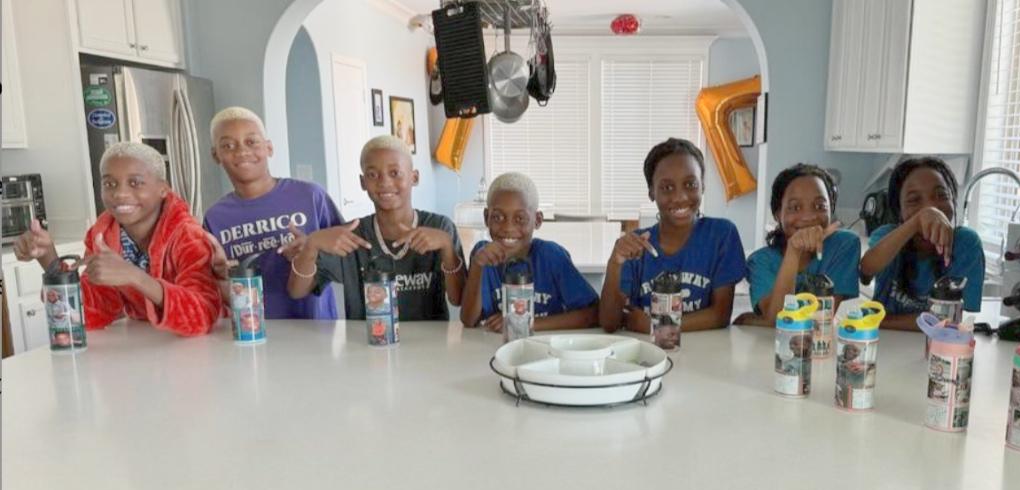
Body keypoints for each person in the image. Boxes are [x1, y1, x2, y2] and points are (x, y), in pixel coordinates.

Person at [13, 142, 221, 336]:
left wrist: (135, 276)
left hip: (203, 348)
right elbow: (91, 312)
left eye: (135, 183)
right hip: (143, 345)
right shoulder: (102, 236)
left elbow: (203, 313)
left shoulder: (187, 235)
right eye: (110, 184)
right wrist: (50, 260)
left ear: (163, 189)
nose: (120, 193)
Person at [288, 135, 465, 320]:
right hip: (368, 345)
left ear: (414, 177)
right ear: (362, 182)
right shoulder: (351, 236)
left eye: (394, 173)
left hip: (429, 346)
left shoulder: (440, 228)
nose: (384, 182)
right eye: (372, 175)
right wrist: (311, 246)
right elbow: (296, 291)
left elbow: (458, 298)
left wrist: (447, 247)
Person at [203, 106, 344, 319]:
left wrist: (310, 251)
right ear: (216, 155)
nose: (241, 151)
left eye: (251, 142)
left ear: (269, 148)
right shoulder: (215, 217)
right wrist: (221, 277)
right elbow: (215, 284)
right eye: (228, 145)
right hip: (254, 332)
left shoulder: (310, 196)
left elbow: (345, 257)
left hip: (315, 328)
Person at [599, 138, 746, 333]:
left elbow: (720, 315)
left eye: (690, 184)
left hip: (707, 354)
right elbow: (609, 322)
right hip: (648, 356)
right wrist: (615, 262)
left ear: (703, 185)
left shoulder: (721, 235)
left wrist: (657, 326)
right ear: (652, 192)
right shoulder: (636, 245)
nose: (680, 197)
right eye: (667, 187)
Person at [460, 172, 598, 332]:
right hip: (495, 349)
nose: (508, 228)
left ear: (537, 220)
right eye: (497, 217)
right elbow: (469, 320)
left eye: (520, 219)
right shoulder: (482, 256)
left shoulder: (552, 256)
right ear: (486, 217)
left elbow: (593, 314)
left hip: (545, 348)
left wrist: (526, 323)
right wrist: (477, 265)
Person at [859, 157, 985, 331]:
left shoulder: (965, 244)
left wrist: (881, 321)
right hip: (886, 346)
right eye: (914, 200)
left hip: (941, 348)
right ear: (899, 211)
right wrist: (916, 222)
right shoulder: (888, 236)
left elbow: (955, 321)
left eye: (941, 195)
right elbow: (866, 270)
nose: (931, 207)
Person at [739, 163, 860, 326]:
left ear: (831, 210)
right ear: (777, 215)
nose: (809, 217)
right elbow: (778, 320)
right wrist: (793, 251)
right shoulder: (760, 261)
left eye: (820, 206)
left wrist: (755, 321)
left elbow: (819, 319)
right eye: (795, 207)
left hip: (818, 348)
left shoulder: (844, 246)